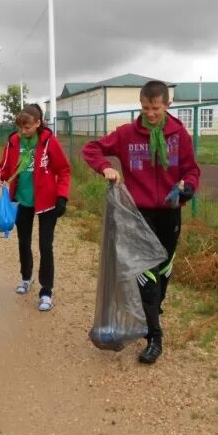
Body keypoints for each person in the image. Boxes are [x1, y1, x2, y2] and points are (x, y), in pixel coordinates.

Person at [82, 80, 200, 364]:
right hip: (138, 216)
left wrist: (189, 187)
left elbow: (191, 169)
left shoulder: (179, 135)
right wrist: (107, 167)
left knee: (164, 273)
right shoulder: (127, 135)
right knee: (146, 278)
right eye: (146, 108)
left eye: (156, 108)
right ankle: (154, 338)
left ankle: (151, 313)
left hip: (170, 213)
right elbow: (91, 149)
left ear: (167, 105)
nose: (150, 114)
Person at [0, 104, 71, 312]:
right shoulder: (13, 142)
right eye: (20, 127)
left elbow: (64, 170)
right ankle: (26, 277)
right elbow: (4, 167)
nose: (23, 131)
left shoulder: (48, 142)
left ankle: (46, 290)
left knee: (46, 246)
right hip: (22, 200)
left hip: (47, 203)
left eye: (27, 127)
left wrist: (62, 197)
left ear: (38, 123)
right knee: (23, 242)